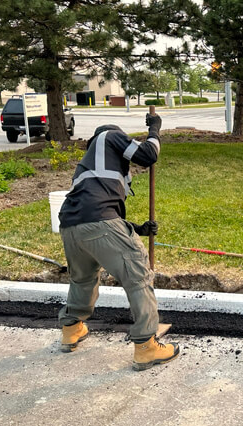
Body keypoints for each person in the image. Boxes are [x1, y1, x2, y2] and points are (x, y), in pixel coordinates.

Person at [57, 112, 180, 371]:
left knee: (83, 278)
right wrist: (155, 130)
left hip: (70, 227)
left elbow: (98, 215)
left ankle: (71, 328)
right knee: (138, 275)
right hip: (97, 223)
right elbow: (148, 155)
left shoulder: (88, 166)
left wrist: (137, 229)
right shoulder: (109, 136)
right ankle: (146, 346)